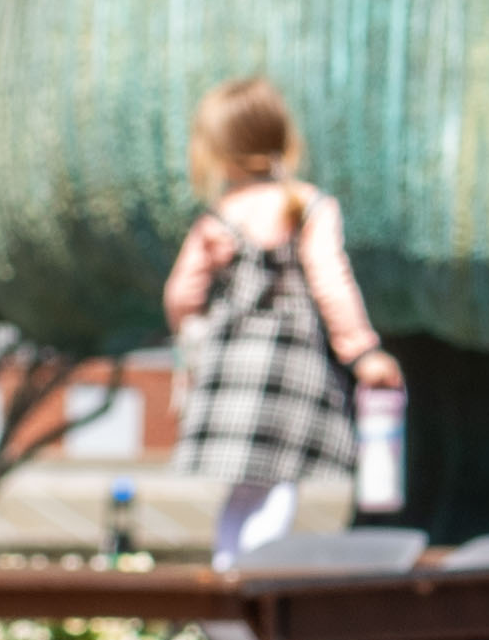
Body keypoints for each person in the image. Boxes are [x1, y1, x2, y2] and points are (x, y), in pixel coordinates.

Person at [155, 78, 388, 538]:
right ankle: (256, 584)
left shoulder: (219, 217)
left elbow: (181, 295)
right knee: (279, 485)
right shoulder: (307, 206)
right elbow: (331, 283)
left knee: (245, 490)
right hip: (291, 367)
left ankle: (231, 576)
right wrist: (362, 352)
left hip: (231, 368)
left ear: (215, 151)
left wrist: (193, 339)